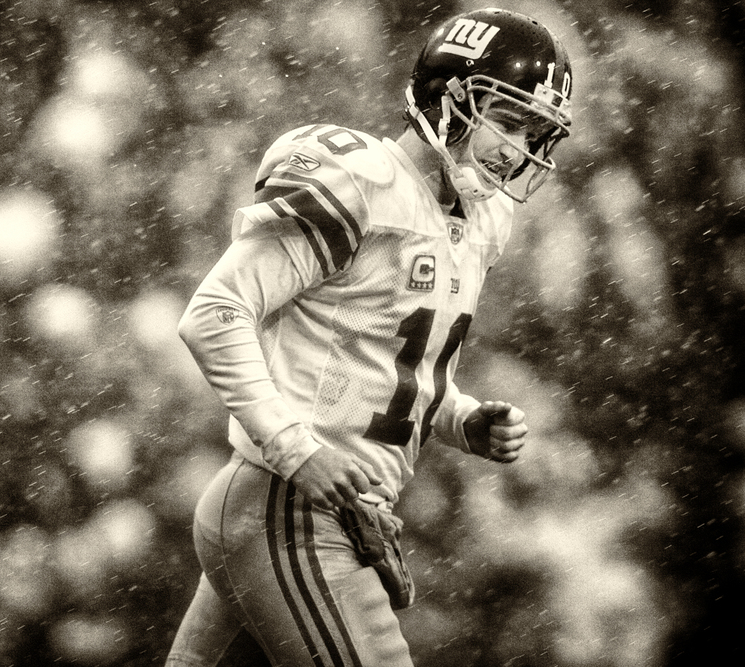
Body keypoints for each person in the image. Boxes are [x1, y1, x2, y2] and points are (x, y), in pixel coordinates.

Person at [166, 7, 574, 666]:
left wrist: (462, 418)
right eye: (506, 121)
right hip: (287, 505)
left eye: (534, 132)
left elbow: (386, 373)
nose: (516, 149)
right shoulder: (366, 183)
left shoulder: (478, 222)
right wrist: (299, 450)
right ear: (448, 97)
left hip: (304, 511)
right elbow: (214, 311)